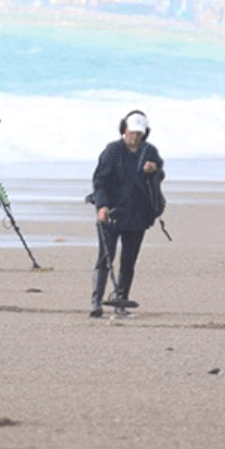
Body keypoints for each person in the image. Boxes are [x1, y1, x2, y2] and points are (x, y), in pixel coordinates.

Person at [89, 110, 164, 318]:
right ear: (124, 130)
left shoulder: (150, 152)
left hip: (138, 215)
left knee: (129, 261)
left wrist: (154, 171)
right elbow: (99, 181)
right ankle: (95, 302)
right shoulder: (112, 151)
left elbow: (160, 175)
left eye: (139, 134)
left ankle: (120, 303)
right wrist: (102, 207)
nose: (135, 138)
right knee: (105, 257)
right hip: (112, 213)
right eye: (132, 133)